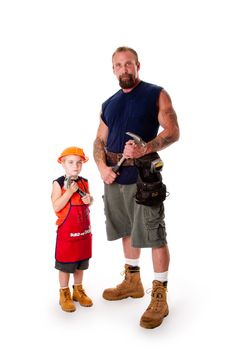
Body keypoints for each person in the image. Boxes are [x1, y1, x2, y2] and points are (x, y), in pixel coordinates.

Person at [93, 47, 179, 328]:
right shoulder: (109, 104)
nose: (124, 69)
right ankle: (132, 281)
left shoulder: (156, 94)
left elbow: (172, 132)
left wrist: (146, 148)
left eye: (128, 63)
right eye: (118, 65)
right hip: (115, 179)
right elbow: (98, 142)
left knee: (154, 234)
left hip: (144, 177)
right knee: (126, 229)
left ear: (137, 65)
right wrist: (102, 168)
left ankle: (160, 295)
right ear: (113, 70)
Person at [51, 146, 93, 312]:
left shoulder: (84, 182)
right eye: (71, 162)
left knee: (80, 264)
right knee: (65, 264)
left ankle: (78, 290)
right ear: (62, 163)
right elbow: (56, 206)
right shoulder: (58, 183)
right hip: (67, 233)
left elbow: (87, 201)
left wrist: (90, 199)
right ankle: (64, 293)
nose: (75, 166)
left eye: (79, 162)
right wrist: (69, 192)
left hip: (83, 231)